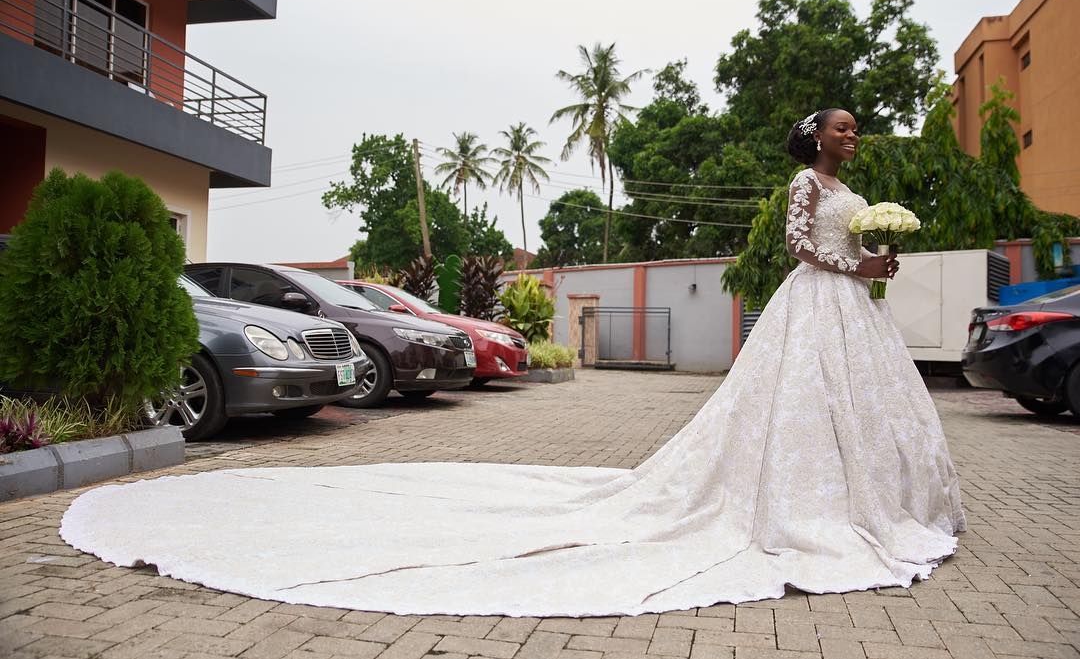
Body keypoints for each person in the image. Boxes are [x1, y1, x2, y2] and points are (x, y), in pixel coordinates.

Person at [61, 109, 965, 618]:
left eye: (853, 130)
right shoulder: (810, 189)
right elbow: (805, 249)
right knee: (787, 406)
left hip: (853, 317)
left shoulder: (855, 190)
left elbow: (833, 246)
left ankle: (852, 497)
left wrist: (878, 263)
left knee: (845, 410)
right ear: (814, 141)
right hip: (820, 304)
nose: (853, 135)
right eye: (842, 128)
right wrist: (860, 261)